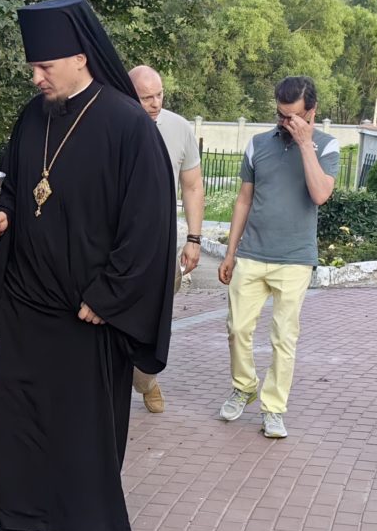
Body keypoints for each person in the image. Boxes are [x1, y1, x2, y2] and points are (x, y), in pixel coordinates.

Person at [0, 0, 176, 531]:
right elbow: (10, 193)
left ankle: (75, 523)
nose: (36, 77)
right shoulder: (33, 118)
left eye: (44, 66)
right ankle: (10, 516)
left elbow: (149, 225)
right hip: (27, 299)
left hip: (87, 309)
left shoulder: (128, 125)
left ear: (80, 58)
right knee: (13, 415)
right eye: (33, 66)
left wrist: (110, 295)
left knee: (78, 425)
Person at [215, 76, 343, 438]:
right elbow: (243, 200)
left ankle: (273, 408)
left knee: (284, 337)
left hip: (295, 258)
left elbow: (320, 194)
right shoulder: (258, 144)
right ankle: (244, 386)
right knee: (237, 328)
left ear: (312, 112)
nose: (285, 122)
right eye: (281, 115)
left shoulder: (327, 146)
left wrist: (305, 144)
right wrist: (230, 252)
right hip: (252, 253)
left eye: (294, 117)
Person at [127, 65, 205, 413]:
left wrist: (194, 238)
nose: (155, 103)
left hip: (160, 248)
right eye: (146, 97)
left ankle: (145, 380)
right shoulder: (114, 125)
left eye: (159, 95)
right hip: (114, 246)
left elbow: (192, 185)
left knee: (154, 320)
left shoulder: (179, 128)